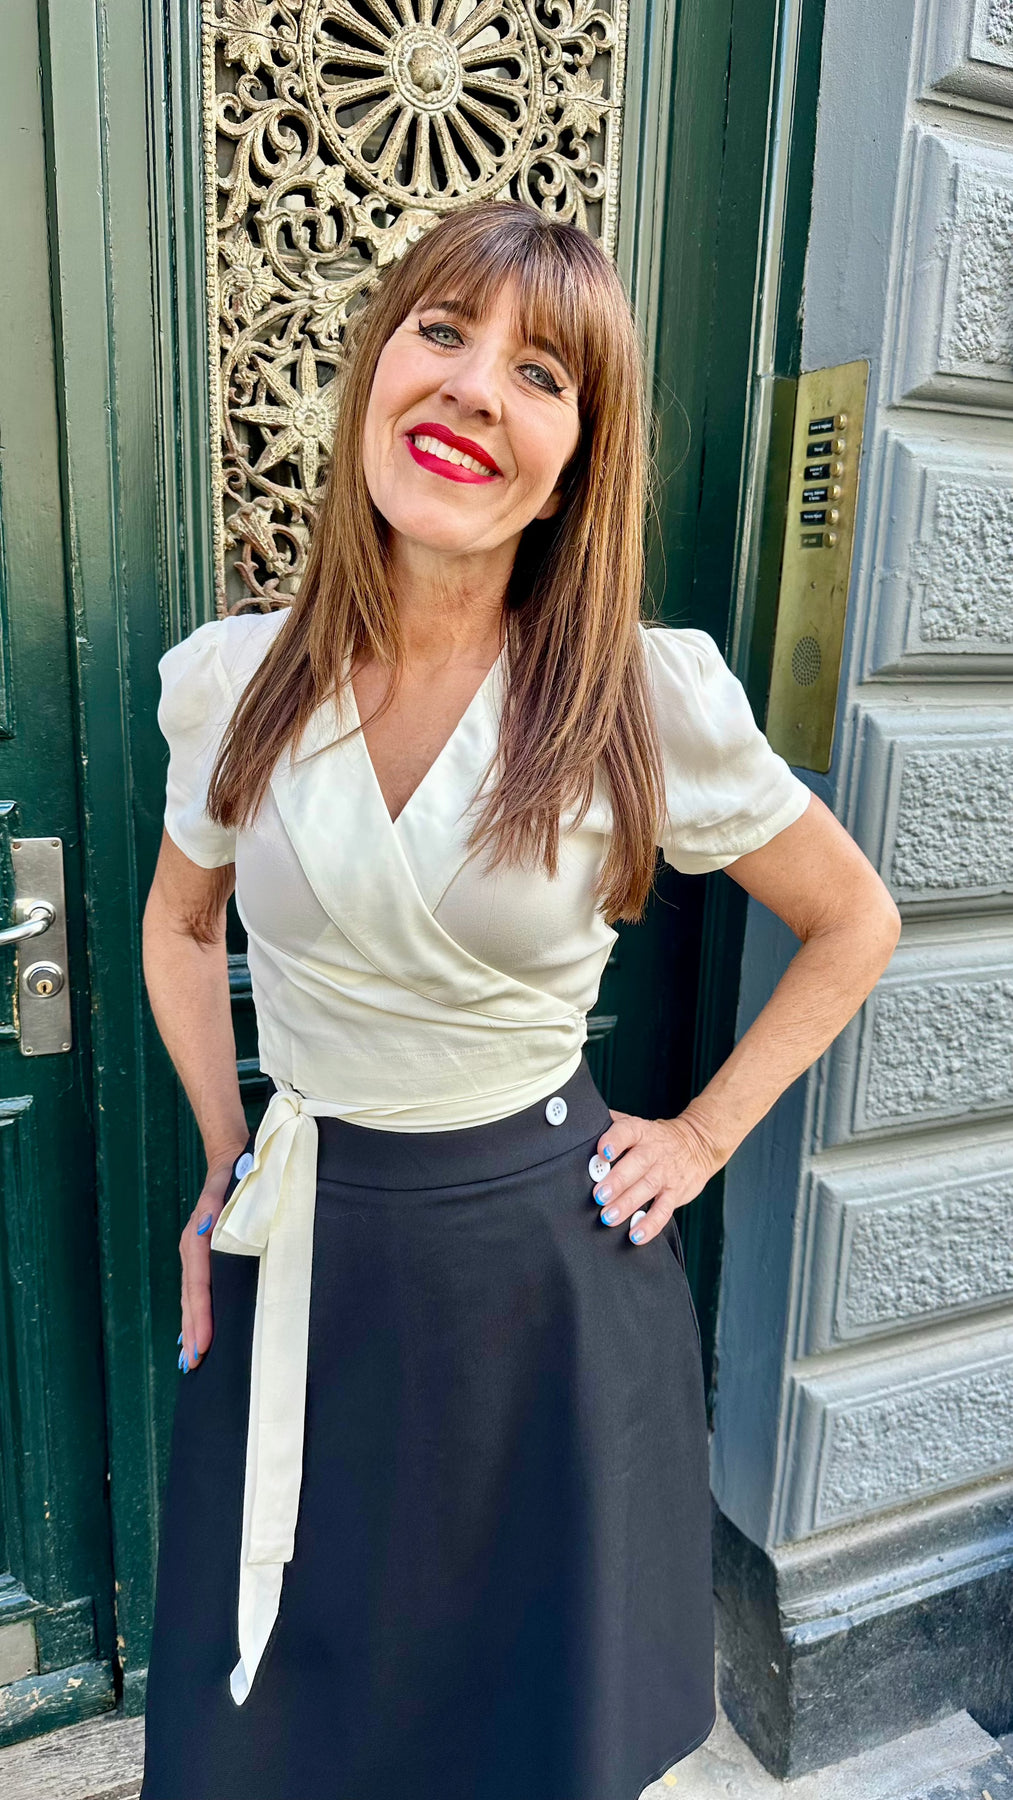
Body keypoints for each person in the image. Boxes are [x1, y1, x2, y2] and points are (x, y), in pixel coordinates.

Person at [138, 199, 901, 1800]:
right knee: (288, 1725)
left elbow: (850, 919)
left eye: (540, 373)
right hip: (305, 1253)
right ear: (373, 372)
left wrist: (699, 1137)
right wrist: (221, 1157)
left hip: (544, 1285)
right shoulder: (232, 680)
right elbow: (179, 921)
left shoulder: (640, 696)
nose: (474, 386)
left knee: (510, 1735)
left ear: (573, 466)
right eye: (440, 332)